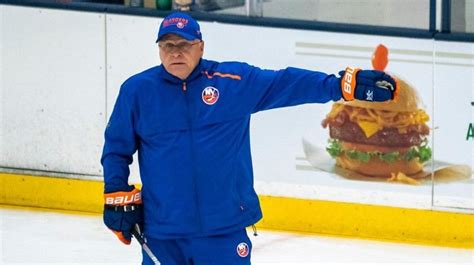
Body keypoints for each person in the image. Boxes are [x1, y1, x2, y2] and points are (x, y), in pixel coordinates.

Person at [101, 12, 398, 265]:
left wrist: (340, 86)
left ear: (200, 47)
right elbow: (117, 148)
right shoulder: (137, 91)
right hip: (163, 233)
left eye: (184, 45)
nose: (176, 52)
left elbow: (286, 82)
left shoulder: (232, 84)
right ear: (159, 50)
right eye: (168, 46)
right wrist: (115, 194)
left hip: (224, 229)